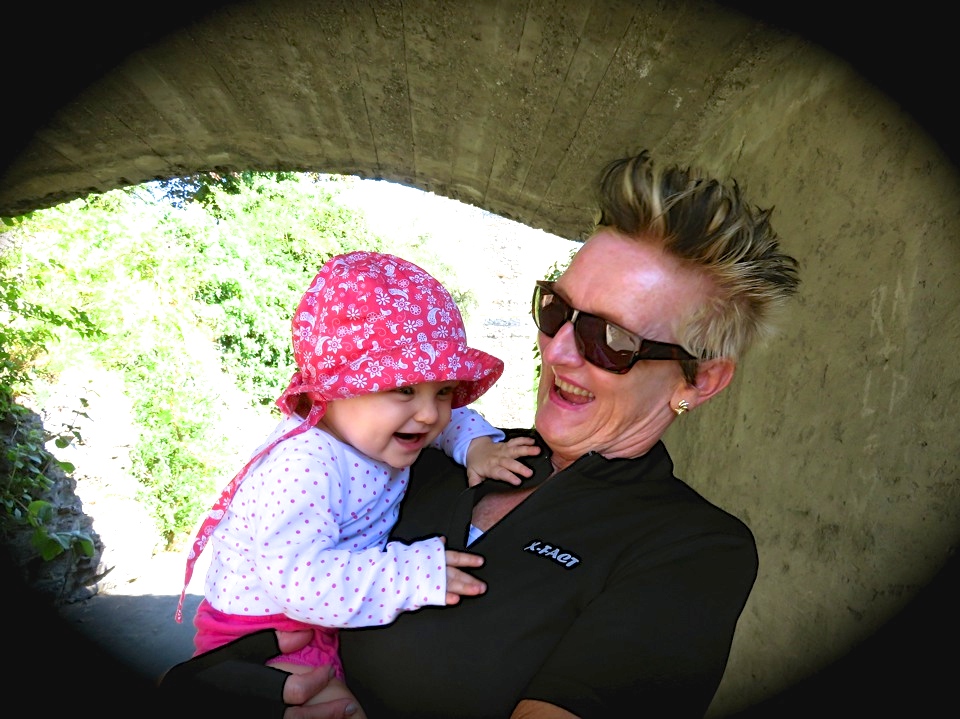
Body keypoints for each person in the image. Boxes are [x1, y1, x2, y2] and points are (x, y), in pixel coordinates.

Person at [161, 149, 801, 718]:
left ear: (700, 380)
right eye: (557, 310)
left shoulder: (690, 549)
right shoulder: (423, 451)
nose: (557, 351)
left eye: (612, 339)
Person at [172, 250, 539, 716]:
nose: (431, 414)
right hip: (266, 633)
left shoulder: (374, 425)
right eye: (404, 388)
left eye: (444, 390)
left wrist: (477, 447)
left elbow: (449, 422)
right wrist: (413, 574)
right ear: (335, 388)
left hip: (318, 618)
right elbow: (303, 584)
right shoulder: (305, 464)